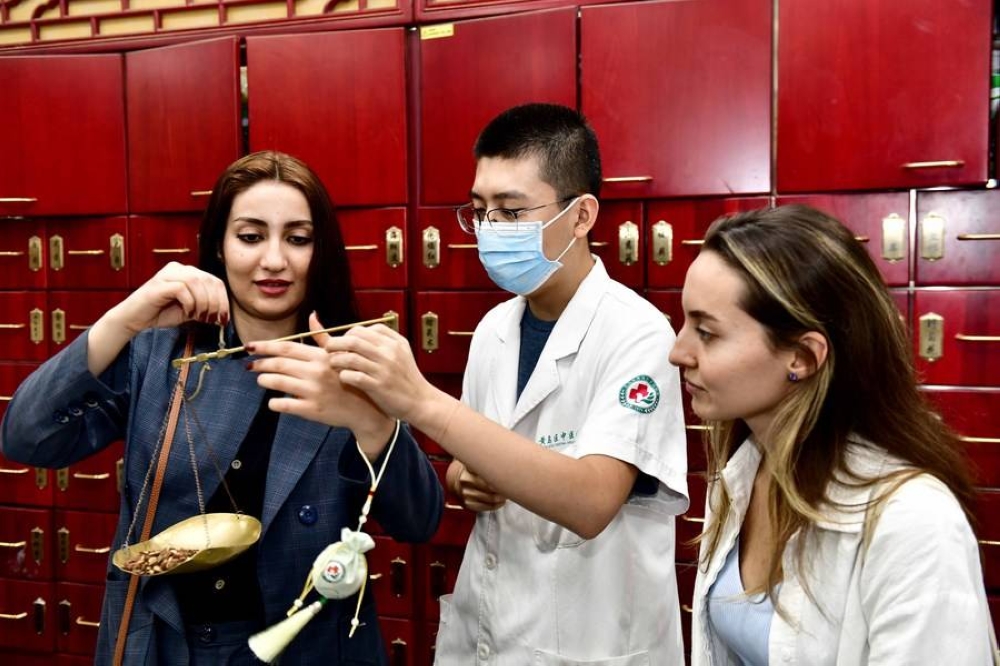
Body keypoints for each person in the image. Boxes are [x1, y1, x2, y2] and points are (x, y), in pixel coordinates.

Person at [0, 151, 443, 665]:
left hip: (307, 646)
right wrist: (124, 319)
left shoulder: (351, 360)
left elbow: (419, 520)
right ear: (218, 245)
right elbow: (27, 437)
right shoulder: (162, 352)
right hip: (168, 644)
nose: (273, 260)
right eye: (251, 236)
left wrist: (368, 419)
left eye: (298, 239)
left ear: (320, 250)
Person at [323, 103, 690, 664]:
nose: (490, 230)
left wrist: (421, 402)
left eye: (512, 212)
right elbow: (474, 455)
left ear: (581, 216)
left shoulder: (637, 333)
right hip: (490, 632)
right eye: (480, 211)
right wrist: (463, 479)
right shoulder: (496, 329)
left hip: (591, 642)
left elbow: (592, 501)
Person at [668, 204, 995, 665]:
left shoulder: (915, 523)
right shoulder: (741, 476)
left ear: (802, 357)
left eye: (706, 332)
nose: (677, 351)